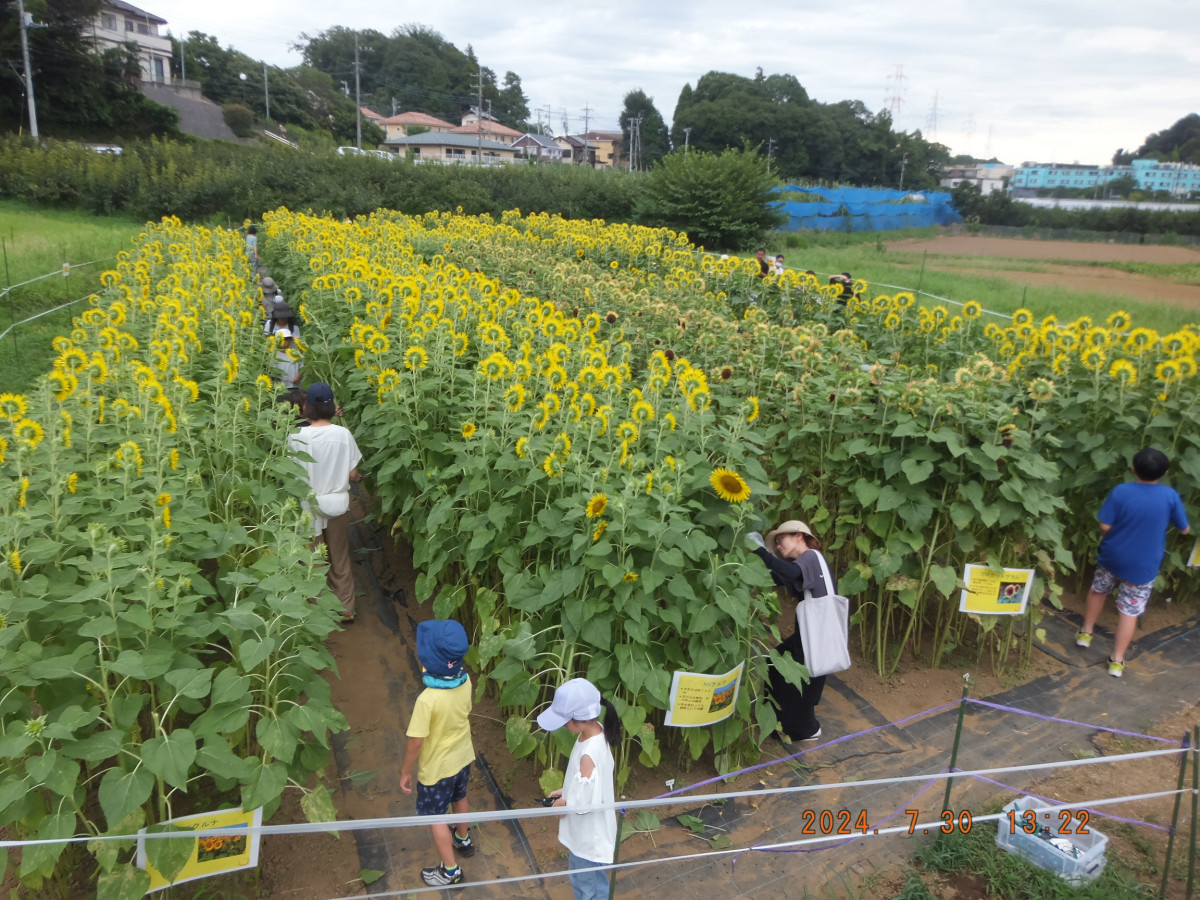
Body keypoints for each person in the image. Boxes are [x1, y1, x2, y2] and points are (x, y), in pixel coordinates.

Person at [1077, 448, 1189, 677]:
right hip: (1143, 565)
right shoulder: (1169, 496)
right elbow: (1184, 529)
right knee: (1130, 610)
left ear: (1133, 469)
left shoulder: (1121, 491)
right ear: (1166, 472)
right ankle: (1117, 661)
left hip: (1113, 556)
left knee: (1099, 591)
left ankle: (1085, 634)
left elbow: (1105, 526)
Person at [401, 619, 477, 887]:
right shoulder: (466, 681)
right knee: (461, 796)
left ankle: (450, 871)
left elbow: (416, 742)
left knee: (436, 818)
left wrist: (405, 771)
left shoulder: (427, 700)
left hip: (436, 769)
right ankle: (463, 839)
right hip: (462, 756)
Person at [746, 520, 833, 747]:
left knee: (797, 679)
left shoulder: (811, 557)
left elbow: (789, 571)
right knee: (777, 665)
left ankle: (806, 730)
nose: (779, 545)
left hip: (818, 634)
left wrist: (762, 552)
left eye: (780, 539)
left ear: (799, 536)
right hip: (813, 633)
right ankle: (781, 723)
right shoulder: (803, 566)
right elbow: (778, 577)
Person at [537, 679, 622, 900]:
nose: (564, 725)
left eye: (565, 720)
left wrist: (563, 804)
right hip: (590, 831)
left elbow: (584, 804)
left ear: (579, 719)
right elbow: (587, 786)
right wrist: (565, 790)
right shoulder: (595, 732)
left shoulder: (588, 755)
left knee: (588, 887)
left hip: (588, 836)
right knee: (592, 881)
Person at [286, 382, 362, 622]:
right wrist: (354, 476)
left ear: (306, 407)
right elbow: (352, 474)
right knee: (339, 557)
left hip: (309, 507)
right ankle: (345, 609)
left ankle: (318, 615)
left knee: (313, 560)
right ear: (331, 407)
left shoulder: (296, 438)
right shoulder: (343, 435)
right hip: (337, 505)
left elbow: (290, 474)